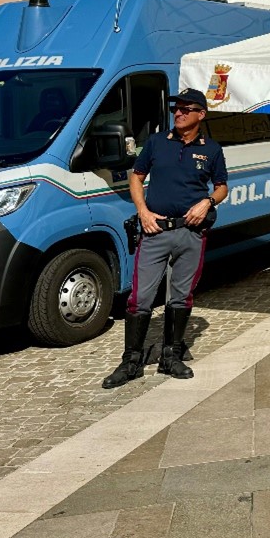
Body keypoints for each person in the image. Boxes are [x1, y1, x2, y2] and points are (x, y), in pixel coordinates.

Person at [103, 88, 227, 389]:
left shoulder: (211, 149)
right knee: (139, 298)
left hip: (191, 233)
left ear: (201, 114)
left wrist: (208, 202)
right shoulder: (158, 142)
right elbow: (136, 176)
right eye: (177, 109)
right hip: (155, 231)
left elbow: (222, 186)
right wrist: (143, 211)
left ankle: (171, 356)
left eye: (187, 109)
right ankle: (131, 361)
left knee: (181, 296)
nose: (179, 113)